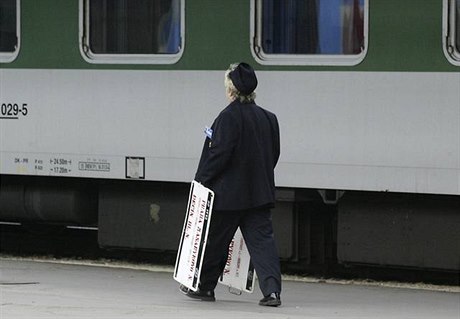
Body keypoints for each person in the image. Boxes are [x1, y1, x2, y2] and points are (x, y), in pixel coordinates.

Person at [180, 62, 282, 307]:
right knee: (262, 243)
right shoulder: (269, 118)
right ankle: (272, 292)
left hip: (228, 196)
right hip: (259, 194)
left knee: (215, 241)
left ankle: (205, 288)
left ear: (231, 91)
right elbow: (274, 154)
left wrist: (200, 181)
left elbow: (218, 156)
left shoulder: (227, 117)